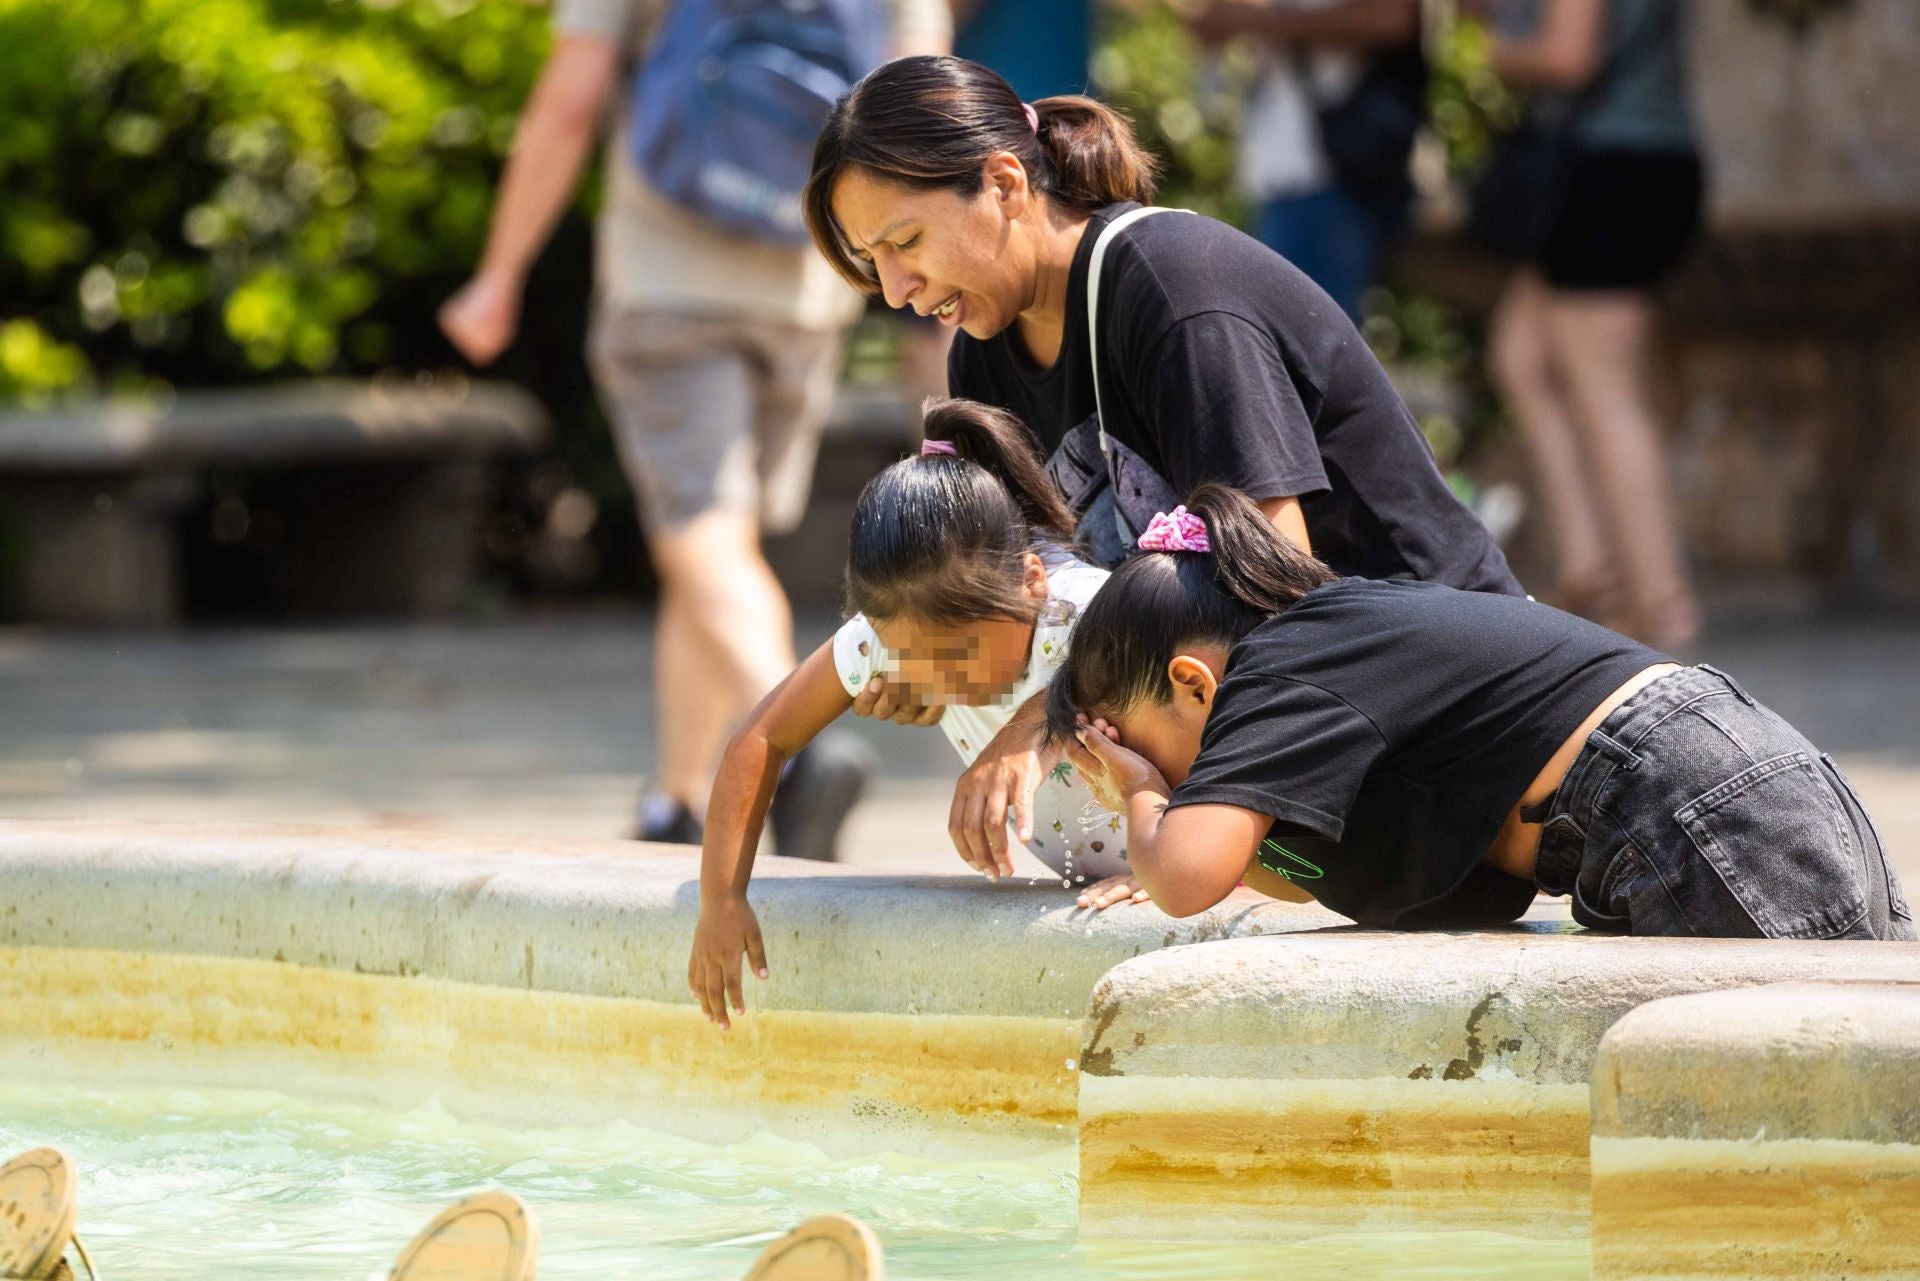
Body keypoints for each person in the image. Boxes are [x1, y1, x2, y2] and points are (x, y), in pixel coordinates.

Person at [803, 54, 1521, 872]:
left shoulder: (1172, 290)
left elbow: (1274, 581)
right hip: (1314, 735)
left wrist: (1048, 718)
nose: (896, 290)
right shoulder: (986, 356)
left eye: (906, 242)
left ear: (1005, 184)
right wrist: (934, 658)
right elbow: (1028, 595)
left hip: (1455, 716)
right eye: (874, 263)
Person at [438, 0, 950, 853]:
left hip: (667, 278)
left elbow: (568, 103)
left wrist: (498, 275)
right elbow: (924, 102)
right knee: (720, 549)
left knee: (702, 537)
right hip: (808, 283)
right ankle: (677, 800)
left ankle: (795, 748)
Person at [1044, 486, 1914, 940]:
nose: (1154, 773)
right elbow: (1313, 872)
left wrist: (1142, 798)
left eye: (1135, 741)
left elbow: (1188, 878)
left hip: (1681, 797)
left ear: (1196, 684)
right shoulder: (1328, 668)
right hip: (1714, 786)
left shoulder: (1281, 662)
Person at [687, 399, 1129, 1029]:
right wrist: (722, 900)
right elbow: (759, 740)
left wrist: (1029, 726)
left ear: (1031, 581)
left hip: (1248, 860)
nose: (944, 680)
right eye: (914, 660)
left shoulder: (1082, 609)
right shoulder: (881, 636)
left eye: (962, 651)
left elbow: (1189, 665)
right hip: (1107, 879)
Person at [1475, 0, 1704, 648]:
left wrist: (1481, 51)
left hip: (1611, 166)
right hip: (1630, 161)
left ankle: (1662, 605)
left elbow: (1568, 55)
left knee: (1605, 387)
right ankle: (1591, 567)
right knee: (1521, 353)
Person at [1186, 0, 1426, 323]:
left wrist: (1257, 18)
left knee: (1304, 346)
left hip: (1328, 176)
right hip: (1285, 176)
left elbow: (1392, 17)